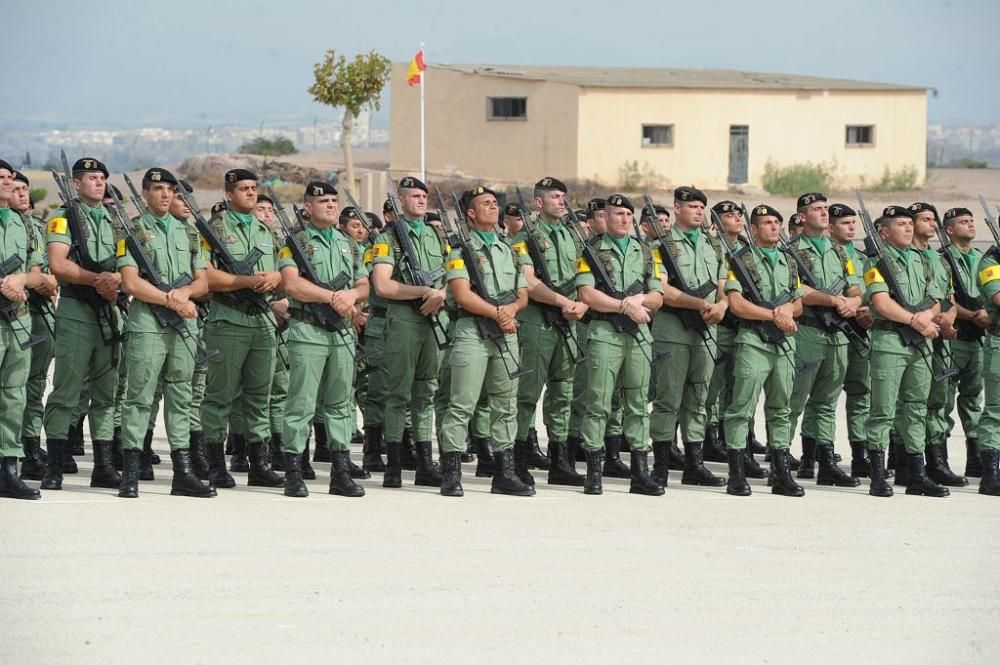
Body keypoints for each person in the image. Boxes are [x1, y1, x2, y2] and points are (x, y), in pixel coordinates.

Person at [115, 168, 213, 498]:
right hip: (148, 324)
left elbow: (202, 281)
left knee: (181, 395)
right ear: (145, 193)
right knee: (139, 395)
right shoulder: (133, 230)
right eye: (158, 188)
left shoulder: (189, 233)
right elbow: (130, 282)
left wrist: (184, 296)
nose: (166, 194)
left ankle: (182, 472)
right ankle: (130, 471)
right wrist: (171, 300)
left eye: (170, 189)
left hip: (184, 324)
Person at [438, 186, 533, 496]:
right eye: (486, 204)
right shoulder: (459, 250)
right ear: (470, 213)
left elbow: (522, 294)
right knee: (462, 403)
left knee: (506, 405)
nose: (494, 208)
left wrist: (510, 311)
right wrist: (497, 313)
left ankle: (504, 473)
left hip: (505, 334)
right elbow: (463, 295)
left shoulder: (510, 249)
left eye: (495, 203)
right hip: (472, 332)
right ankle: (451, 473)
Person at [278, 182, 369, 498]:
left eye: (333, 200)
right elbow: (292, 285)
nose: (331, 205)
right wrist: (333, 297)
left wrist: (352, 296)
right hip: (308, 330)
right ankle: (293, 469)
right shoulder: (295, 242)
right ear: (307, 207)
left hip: (341, 332)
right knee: (301, 401)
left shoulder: (349, 243)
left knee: (341, 402)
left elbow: (364, 283)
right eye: (323, 201)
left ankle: (340, 472)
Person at [41, 157, 123, 492]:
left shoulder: (115, 220)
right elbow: (58, 265)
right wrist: (97, 279)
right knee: (67, 390)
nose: (99, 182)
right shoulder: (62, 219)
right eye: (91, 177)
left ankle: (103, 465)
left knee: (106, 392)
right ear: (76, 184)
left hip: (107, 311)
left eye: (102, 177)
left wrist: (114, 278)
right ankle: (56, 465)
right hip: (76, 311)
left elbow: (129, 263)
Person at [199, 169, 284, 489]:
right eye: (243, 189)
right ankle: (215, 464)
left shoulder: (265, 230)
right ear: (229, 195)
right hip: (229, 319)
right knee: (220, 396)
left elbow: (281, 270)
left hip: (261, 320)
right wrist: (247, 281)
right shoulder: (213, 230)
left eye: (253, 188)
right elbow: (206, 276)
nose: (250, 193)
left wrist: (276, 279)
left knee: (259, 396)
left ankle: (259, 463)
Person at [575, 193, 664, 496]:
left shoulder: (646, 252)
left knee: (638, 404)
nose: (624, 220)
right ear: (606, 218)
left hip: (638, 335)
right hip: (605, 333)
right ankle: (593, 471)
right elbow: (587, 294)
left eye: (628, 215)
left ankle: (640, 473)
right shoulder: (591, 251)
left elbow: (657, 295)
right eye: (617, 215)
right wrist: (623, 307)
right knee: (598, 402)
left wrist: (640, 299)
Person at [863, 206, 948, 497]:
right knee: (883, 411)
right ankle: (877, 476)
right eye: (901, 224)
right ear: (884, 232)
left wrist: (926, 317)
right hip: (890, 342)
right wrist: (915, 320)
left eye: (910, 223)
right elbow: (882, 303)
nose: (909, 228)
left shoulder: (922, 261)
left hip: (920, 342)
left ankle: (916, 475)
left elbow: (936, 299)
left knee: (917, 407)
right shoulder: (877, 263)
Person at [370, 176, 447, 489]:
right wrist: (423, 291)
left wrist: (439, 294)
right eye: (414, 196)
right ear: (400, 201)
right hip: (404, 320)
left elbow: (453, 274)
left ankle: (426, 463)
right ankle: (394, 464)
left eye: (424, 195)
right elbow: (383, 285)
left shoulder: (434, 235)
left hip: (433, 318)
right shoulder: (388, 238)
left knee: (426, 393)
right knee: (397, 394)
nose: (421, 200)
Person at [722, 205, 804, 496]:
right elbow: (736, 304)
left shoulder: (788, 260)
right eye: (767, 223)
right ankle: (737, 473)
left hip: (783, 343)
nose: (773, 227)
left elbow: (798, 303)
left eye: (777, 222)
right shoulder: (740, 260)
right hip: (754, 341)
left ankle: (781, 474)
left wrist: (786, 310)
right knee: (741, 408)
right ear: (753, 230)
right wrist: (774, 316)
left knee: (781, 408)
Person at [649, 186, 727, 487]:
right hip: (673, 331)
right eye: (692, 206)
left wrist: (721, 306)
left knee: (699, 397)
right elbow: (662, 289)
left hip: (707, 329)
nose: (698, 211)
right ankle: (661, 464)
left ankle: (694, 464)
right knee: (668, 398)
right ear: (676, 209)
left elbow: (724, 284)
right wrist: (696, 303)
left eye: (701, 207)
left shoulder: (714, 246)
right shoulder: (661, 246)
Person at [513, 177, 589, 486]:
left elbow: (587, 275)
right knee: (527, 393)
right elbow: (528, 282)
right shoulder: (524, 236)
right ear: (539, 202)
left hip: (568, 321)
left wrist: (582, 304)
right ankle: (516, 459)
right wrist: (562, 301)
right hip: (538, 321)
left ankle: (560, 461)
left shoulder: (572, 236)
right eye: (555, 196)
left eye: (564, 196)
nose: (562, 201)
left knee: (563, 391)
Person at [785, 192, 861, 487]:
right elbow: (796, 289)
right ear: (802, 217)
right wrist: (833, 300)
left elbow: (855, 286)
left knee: (827, 402)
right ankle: (783, 458)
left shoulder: (842, 252)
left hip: (838, 333)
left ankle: (823, 461)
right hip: (808, 331)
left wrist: (852, 304)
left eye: (826, 208)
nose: (824, 213)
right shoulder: (791, 251)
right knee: (794, 399)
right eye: (817, 209)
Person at [910, 202, 967, 487]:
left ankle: (937, 460)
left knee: (938, 401)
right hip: (915, 336)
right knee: (911, 402)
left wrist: (948, 320)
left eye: (933, 219)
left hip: (940, 337)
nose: (931, 224)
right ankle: (909, 460)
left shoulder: (939, 259)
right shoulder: (904, 258)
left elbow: (949, 298)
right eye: (924, 219)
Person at [0, 159, 45, 499]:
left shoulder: (22, 224)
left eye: (10, 177)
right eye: (0, 178)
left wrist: (20, 280)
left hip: (17, 318)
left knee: (14, 395)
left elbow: (37, 271)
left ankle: (8, 468)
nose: (6, 182)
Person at [9, 171, 57, 481]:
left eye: (26, 188)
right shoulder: (10, 228)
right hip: (16, 311)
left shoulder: (36, 228)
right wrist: (41, 280)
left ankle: (30, 445)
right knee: (14, 387)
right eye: (15, 189)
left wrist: (46, 280)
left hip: (39, 314)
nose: (22, 194)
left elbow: (47, 273)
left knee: (35, 384)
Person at [827, 204, 875, 477]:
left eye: (852, 223)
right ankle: (818, 454)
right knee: (826, 397)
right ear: (831, 227)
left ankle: (861, 454)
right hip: (832, 329)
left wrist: (867, 309)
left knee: (860, 395)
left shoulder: (860, 257)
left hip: (859, 332)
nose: (851, 228)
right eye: (845, 223)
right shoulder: (827, 255)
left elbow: (869, 291)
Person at [940, 207, 987, 478]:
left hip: (977, 339)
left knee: (973, 399)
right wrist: (973, 315)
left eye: (971, 221)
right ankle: (940, 459)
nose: (970, 225)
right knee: (944, 400)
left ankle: (976, 457)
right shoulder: (943, 259)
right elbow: (945, 297)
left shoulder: (981, 258)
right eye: (963, 222)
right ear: (949, 230)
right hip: (954, 337)